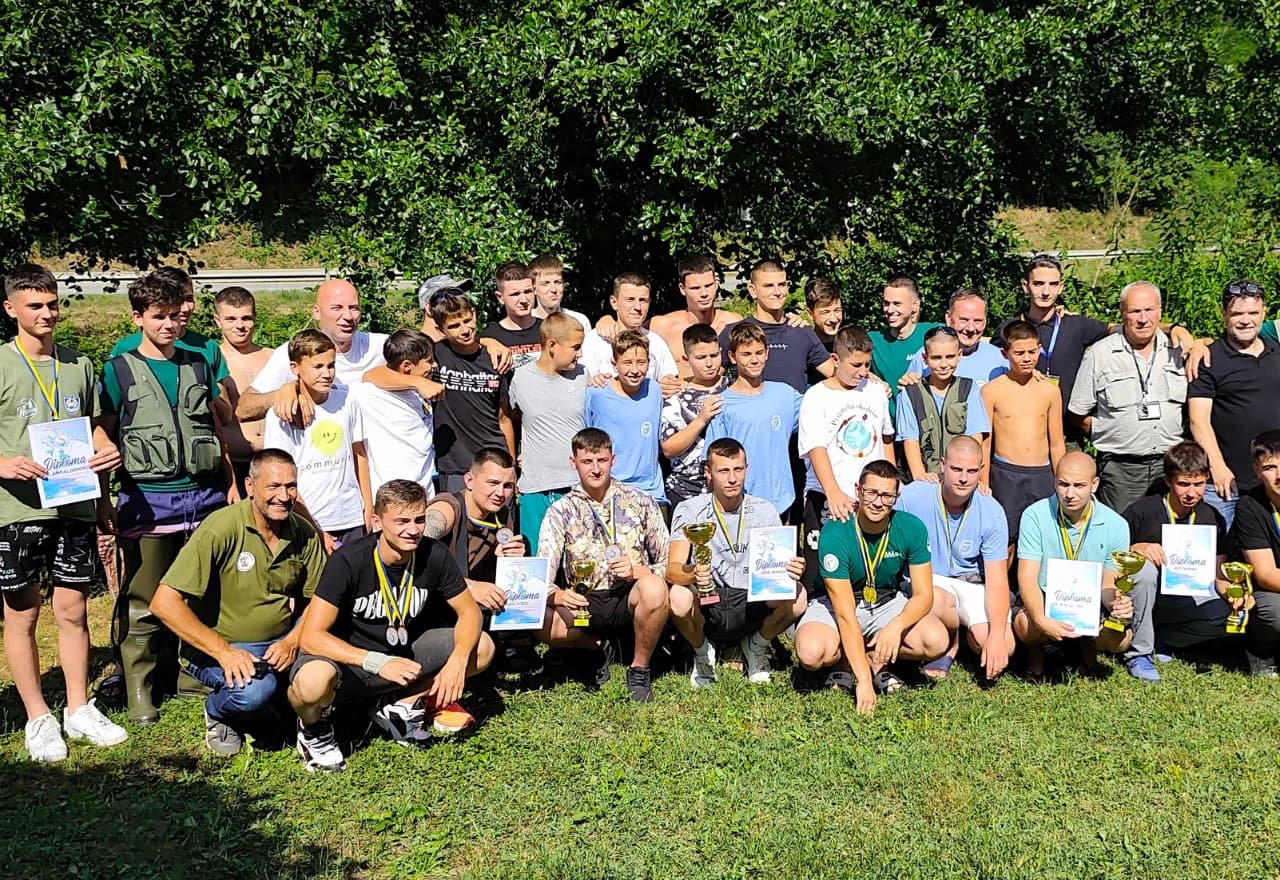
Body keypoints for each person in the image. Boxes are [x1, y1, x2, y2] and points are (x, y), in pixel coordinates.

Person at [1, 263, 127, 762]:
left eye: (52, 304)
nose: (47, 313)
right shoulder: (1, 363)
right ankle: (37, 717)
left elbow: (92, 426)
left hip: (74, 503)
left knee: (73, 610)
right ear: (10, 309)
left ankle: (77, 707)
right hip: (17, 508)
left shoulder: (78, 364)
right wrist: (3, 463)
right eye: (35, 305)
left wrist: (105, 450)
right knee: (23, 615)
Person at [101, 271, 234, 725]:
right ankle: (140, 685)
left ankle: (190, 674)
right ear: (138, 317)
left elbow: (216, 426)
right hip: (149, 500)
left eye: (174, 316)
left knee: (201, 593)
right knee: (144, 597)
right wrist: (104, 499)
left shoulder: (198, 363)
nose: (169, 325)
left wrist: (231, 483)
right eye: (158, 316)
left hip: (204, 498)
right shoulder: (118, 369)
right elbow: (103, 433)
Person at [288, 479, 494, 771]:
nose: (413, 530)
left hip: (403, 658)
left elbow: (470, 613)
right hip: (348, 664)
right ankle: (313, 730)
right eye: (401, 521)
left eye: (419, 520)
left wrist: (458, 661)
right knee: (312, 682)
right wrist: (376, 662)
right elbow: (310, 637)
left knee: (482, 647)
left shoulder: (434, 553)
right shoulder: (348, 561)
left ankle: (401, 704)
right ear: (377, 521)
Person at [150, 449, 326, 756]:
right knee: (253, 692)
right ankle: (217, 711)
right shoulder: (221, 528)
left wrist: (293, 640)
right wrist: (224, 652)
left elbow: (320, 601)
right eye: (274, 486)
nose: (284, 496)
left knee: (329, 670)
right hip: (222, 646)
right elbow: (164, 603)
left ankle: (280, 702)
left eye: (291, 486)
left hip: (280, 644)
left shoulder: (303, 533)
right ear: (250, 486)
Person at [993, 254, 1194, 451]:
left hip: (1066, 435)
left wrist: (1174, 328)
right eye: (1038, 284)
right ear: (1025, 286)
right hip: (1019, 430)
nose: (1046, 291)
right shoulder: (1009, 329)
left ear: (1061, 287)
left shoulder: (1077, 325)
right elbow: (985, 354)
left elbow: (1131, 326)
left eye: (1053, 284)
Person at [794, 460, 947, 710]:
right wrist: (864, 682)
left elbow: (923, 595)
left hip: (886, 601)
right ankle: (847, 662)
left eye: (887, 496)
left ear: (897, 497)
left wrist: (895, 627)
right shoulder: (835, 532)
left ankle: (874, 657)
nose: (878, 502)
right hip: (837, 605)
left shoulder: (912, 527)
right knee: (811, 653)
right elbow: (845, 614)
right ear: (858, 491)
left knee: (936, 640)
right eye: (871, 493)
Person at [536, 428, 671, 702]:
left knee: (654, 588)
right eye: (587, 461)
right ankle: (596, 647)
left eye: (602, 460)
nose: (596, 469)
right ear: (573, 463)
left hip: (628, 597)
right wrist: (559, 596)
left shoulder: (641, 501)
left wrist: (638, 571)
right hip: (584, 603)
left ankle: (639, 668)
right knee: (537, 619)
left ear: (613, 460)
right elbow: (543, 577)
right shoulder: (560, 511)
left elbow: (669, 563)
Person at [666, 439, 806, 687]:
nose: (732, 478)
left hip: (751, 598)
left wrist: (792, 569)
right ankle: (702, 652)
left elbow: (778, 567)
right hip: (709, 601)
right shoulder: (690, 510)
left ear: (746, 469)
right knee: (678, 597)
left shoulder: (765, 510)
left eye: (738, 469)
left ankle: (756, 647)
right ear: (708, 473)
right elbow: (672, 570)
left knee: (798, 595)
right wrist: (693, 574)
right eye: (723, 471)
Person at [1014, 452, 1149, 680]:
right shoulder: (1034, 515)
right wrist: (1040, 619)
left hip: (1090, 602)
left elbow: (1108, 581)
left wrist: (1116, 604)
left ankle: (1088, 649)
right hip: (1046, 597)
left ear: (1094, 485)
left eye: (1079, 486)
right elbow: (1027, 576)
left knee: (1120, 640)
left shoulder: (1117, 524)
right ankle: (1036, 656)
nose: (1070, 494)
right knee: (1025, 624)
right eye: (1064, 484)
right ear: (1054, 482)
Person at [894, 437, 1014, 680]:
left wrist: (996, 636)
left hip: (972, 583)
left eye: (971, 471)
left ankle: (968, 638)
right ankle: (949, 642)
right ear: (942, 465)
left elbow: (998, 581)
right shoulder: (912, 496)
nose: (963, 478)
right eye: (956, 469)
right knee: (937, 599)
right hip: (930, 581)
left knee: (1005, 644)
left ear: (981, 470)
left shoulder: (992, 510)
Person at [1069, 282, 1187, 513]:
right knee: (1121, 530)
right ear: (1123, 314)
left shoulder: (1178, 350)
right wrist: (1109, 431)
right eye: (1135, 311)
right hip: (1120, 471)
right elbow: (1077, 413)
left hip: (1169, 467)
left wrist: (1183, 332)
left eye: (1149, 310)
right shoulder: (1100, 354)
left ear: (1160, 311)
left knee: (1165, 529)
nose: (1143, 319)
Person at [1121, 442, 1235, 667]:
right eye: (1183, 484)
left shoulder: (1211, 517)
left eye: (1199, 484)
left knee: (1228, 615)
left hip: (1187, 598)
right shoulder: (1141, 511)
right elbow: (1112, 556)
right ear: (1168, 481)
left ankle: (1166, 638)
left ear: (1207, 479)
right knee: (1145, 570)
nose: (1191, 493)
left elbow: (1218, 570)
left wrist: (1234, 595)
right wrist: (1137, 547)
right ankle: (1140, 649)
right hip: (1145, 598)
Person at [797, 325, 894, 590]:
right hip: (828, 495)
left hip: (870, 496)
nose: (863, 372)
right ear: (835, 360)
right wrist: (833, 492)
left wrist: (891, 484)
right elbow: (816, 448)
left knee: (867, 565)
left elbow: (885, 437)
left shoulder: (875, 391)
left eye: (867, 364)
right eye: (856, 365)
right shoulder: (817, 397)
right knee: (823, 570)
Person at [262, 330, 370, 552]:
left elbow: (359, 453)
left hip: (350, 517)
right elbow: (280, 475)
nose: (327, 373)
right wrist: (316, 529)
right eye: (317, 367)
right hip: (307, 519)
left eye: (331, 365)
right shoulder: (282, 414)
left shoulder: (347, 400)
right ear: (295, 368)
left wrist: (367, 507)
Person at [1187, 280, 1280, 529]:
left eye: (1253, 313)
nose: (1246, 320)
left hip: (1273, 480)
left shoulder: (1277, 352)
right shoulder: (1208, 359)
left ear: (1264, 314)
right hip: (1227, 484)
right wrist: (1217, 467)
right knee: (1224, 548)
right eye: (1237, 314)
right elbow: (1198, 420)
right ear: (1224, 315)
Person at [235, 279, 388, 425]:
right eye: (337, 308)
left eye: (354, 308)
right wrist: (286, 392)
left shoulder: (381, 347)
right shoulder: (294, 352)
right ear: (316, 312)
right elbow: (244, 410)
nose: (348, 316)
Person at [704, 322, 803, 521]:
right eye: (746, 354)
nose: (754, 360)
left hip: (781, 502)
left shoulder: (786, 394)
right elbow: (715, 458)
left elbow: (822, 410)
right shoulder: (722, 404)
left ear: (767, 353)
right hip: (739, 503)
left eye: (759, 353)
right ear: (732, 357)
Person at [508, 312, 589, 554]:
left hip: (577, 486)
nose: (580, 354)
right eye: (575, 347)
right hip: (535, 488)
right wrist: (514, 461)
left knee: (579, 559)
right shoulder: (520, 378)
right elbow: (510, 420)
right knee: (538, 560)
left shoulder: (584, 376)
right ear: (552, 345)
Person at [983, 320, 1065, 545]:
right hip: (1005, 476)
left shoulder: (1049, 391)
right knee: (1004, 540)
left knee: (1045, 538)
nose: (1027, 358)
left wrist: (1061, 479)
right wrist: (984, 482)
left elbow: (1057, 442)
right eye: (1019, 353)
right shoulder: (992, 391)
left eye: (1032, 351)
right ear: (1005, 353)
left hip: (1042, 475)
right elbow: (985, 442)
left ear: (1039, 349)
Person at [419, 448, 526, 620]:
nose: (500, 493)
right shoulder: (448, 508)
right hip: (432, 610)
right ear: (469, 480)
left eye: (507, 486)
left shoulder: (502, 515)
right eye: (492, 483)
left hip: (477, 612)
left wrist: (509, 561)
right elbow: (416, 548)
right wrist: (469, 586)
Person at [427, 288, 515, 494]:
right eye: (454, 326)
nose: (464, 330)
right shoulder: (433, 355)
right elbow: (379, 374)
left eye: (467, 321)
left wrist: (511, 466)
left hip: (496, 461)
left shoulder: (495, 358)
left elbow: (503, 418)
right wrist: (419, 382)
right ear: (440, 329)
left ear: (474, 314)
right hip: (454, 466)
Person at [716, 259, 834, 393]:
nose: (777, 292)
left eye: (781, 284)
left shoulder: (802, 332)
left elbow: (837, 376)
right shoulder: (733, 332)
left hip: (794, 406)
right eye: (768, 286)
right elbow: (708, 380)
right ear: (753, 290)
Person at [350, 330, 439, 498]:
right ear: (406, 366)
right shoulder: (369, 395)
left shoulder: (424, 388)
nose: (434, 365)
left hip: (426, 494)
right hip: (391, 497)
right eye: (429, 361)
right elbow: (366, 377)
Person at [895, 327, 989, 482]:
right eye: (936, 358)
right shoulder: (910, 393)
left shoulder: (969, 389)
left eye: (950, 357)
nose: (944, 364)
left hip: (960, 478)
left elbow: (975, 437)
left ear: (959, 355)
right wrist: (920, 477)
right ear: (925, 358)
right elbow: (910, 440)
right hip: (923, 476)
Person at [585, 330, 667, 508]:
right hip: (609, 491)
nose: (635, 370)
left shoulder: (654, 390)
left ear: (649, 363)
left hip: (651, 492)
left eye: (641, 362)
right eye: (627, 363)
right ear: (614, 364)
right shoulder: (596, 393)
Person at [1226, 430, 1280, 677]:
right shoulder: (1250, 506)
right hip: (1269, 589)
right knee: (1275, 613)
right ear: (1257, 471)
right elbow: (1266, 574)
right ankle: (1260, 651)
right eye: (1270, 467)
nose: (1279, 475)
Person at [660, 323, 728, 510]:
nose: (709, 363)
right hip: (685, 491)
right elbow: (669, 449)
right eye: (701, 357)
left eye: (714, 355)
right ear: (686, 359)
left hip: (729, 491)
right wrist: (701, 420)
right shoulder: (675, 395)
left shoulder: (734, 388)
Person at [212, 286, 271, 493]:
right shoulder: (214, 360)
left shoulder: (273, 357)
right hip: (234, 464)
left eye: (246, 318)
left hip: (273, 460)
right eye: (231, 319)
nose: (240, 326)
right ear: (217, 320)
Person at [580, 272, 679, 381]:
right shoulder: (595, 341)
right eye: (630, 299)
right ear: (614, 302)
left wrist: (669, 384)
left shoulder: (656, 342)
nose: (638, 307)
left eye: (643, 300)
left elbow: (671, 382)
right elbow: (584, 382)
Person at [902, 287, 1007, 388]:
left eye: (977, 321)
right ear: (948, 318)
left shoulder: (1001, 359)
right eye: (964, 320)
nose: (970, 328)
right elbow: (909, 394)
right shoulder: (926, 356)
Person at [871, 275, 941, 414]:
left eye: (897, 304)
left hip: (928, 423)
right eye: (886, 303)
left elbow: (969, 341)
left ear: (915, 305)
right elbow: (845, 364)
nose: (890, 310)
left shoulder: (934, 333)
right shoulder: (873, 341)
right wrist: (869, 378)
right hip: (889, 425)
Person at [480, 261, 542, 369]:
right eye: (515, 294)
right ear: (500, 297)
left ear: (535, 290)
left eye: (528, 292)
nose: (523, 300)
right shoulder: (489, 337)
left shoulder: (550, 329)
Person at [529, 254, 591, 334]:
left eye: (558, 282)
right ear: (534, 289)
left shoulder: (579, 320)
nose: (553, 289)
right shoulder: (526, 322)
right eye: (545, 284)